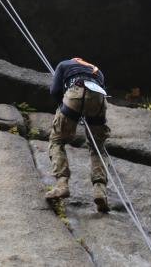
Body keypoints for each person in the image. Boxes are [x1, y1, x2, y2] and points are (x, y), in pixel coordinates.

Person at [45, 57, 111, 213]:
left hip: (75, 92)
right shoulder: (97, 71)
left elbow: (54, 91)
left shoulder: (63, 64)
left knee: (57, 141)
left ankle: (62, 184)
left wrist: (65, 109)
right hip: (99, 98)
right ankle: (100, 191)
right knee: (98, 148)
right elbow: (95, 94)